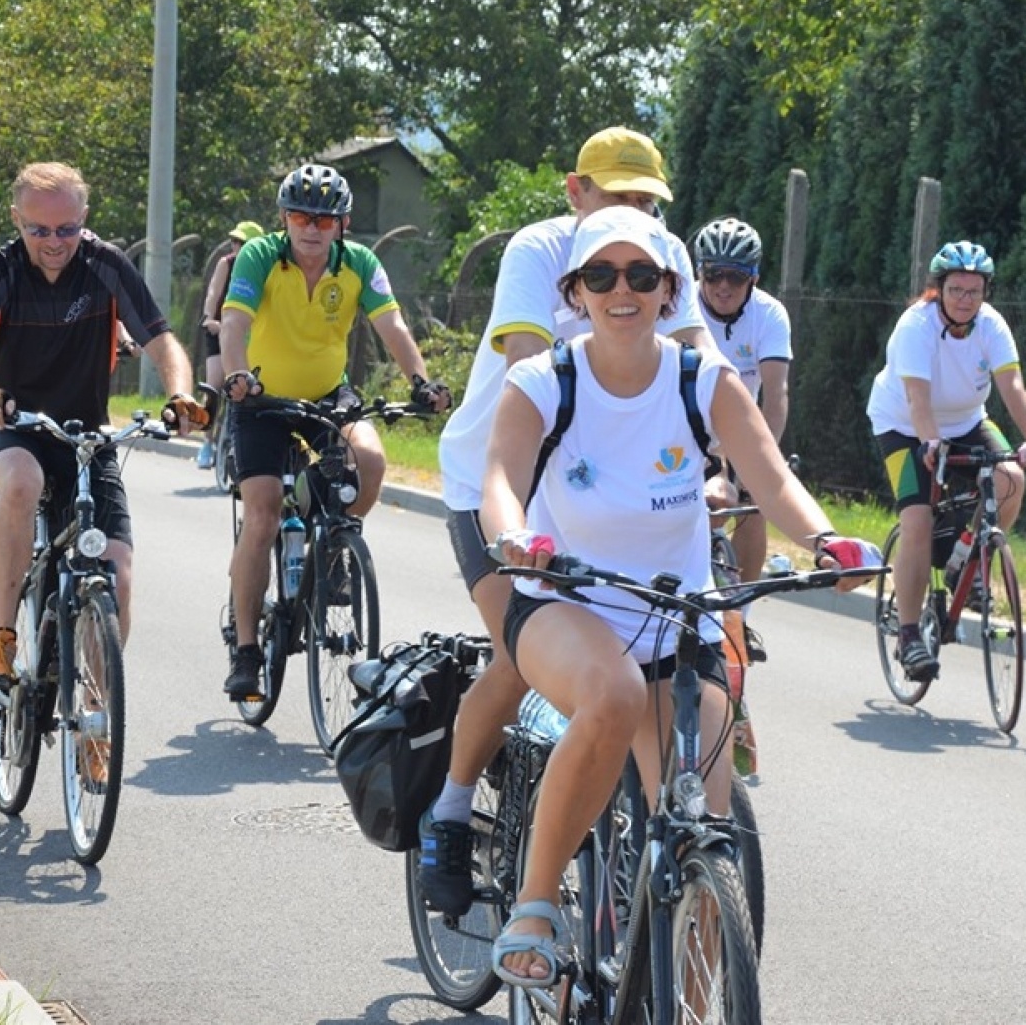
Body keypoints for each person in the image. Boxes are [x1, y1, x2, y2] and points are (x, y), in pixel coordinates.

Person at [475, 205, 878, 988]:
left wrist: (825, 541)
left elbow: (770, 476)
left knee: (702, 839)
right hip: (566, 601)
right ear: (575, 293)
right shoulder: (543, 379)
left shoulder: (704, 379)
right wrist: (516, 534)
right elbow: (500, 476)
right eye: (601, 275)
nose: (620, 290)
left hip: (677, 617)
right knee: (614, 694)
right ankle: (534, 901)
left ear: (670, 292)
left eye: (642, 275)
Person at [418, 126, 712, 914]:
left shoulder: (665, 253)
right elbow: (525, 354)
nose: (631, 215)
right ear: (575, 192)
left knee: (694, 627)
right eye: (614, 196)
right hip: (498, 487)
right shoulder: (538, 251)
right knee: (526, 658)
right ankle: (449, 811)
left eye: (645, 201)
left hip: (609, 495)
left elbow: (697, 365)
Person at [0, 162, 205, 691]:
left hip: (85, 435)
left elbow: (162, 341)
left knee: (118, 569)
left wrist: (182, 392)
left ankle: (99, 719)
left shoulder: (105, 265)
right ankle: (1, 638)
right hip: (9, 424)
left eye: (67, 228)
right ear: (17, 221)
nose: (54, 242)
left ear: (84, 218)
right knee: (22, 480)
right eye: (38, 229)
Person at [218, 163, 451, 700]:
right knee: (264, 512)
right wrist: (235, 375)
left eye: (325, 220)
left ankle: (334, 548)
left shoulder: (359, 264)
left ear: (342, 224)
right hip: (260, 395)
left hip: (327, 393)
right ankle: (249, 650)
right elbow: (235, 323)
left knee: (368, 461)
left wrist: (421, 381)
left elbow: (392, 325)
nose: (312, 228)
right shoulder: (259, 256)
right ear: (284, 218)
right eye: (301, 216)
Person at [865, 240, 1026, 682]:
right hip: (904, 425)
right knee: (917, 521)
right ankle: (909, 635)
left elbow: (1013, 387)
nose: (965, 300)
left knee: (1010, 479)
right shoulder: (916, 326)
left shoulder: (991, 325)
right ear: (938, 290)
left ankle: (967, 560)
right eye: (956, 290)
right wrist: (930, 443)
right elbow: (917, 398)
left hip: (967, 420)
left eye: (974, 291)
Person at [693, 216, 792, 583]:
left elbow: (775, 395)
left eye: (735, 276)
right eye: (713, 274)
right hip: (686, 425)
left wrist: (759, 465)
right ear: (699, 273)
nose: (722, 286)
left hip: (738, 428)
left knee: (756, 505)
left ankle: (741, 616)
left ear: (753, 277)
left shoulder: (768, 314)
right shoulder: (680, 305)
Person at [195, 220, 265, 469]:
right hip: (219, 329)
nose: (236, 246)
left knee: (253, 386)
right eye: (234, 241)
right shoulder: (226, 263)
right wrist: (210, 319)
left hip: (250, 334)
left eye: (242, 243)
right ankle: (207, 442)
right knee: (214, 386)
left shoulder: (265, 268)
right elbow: (213, 295)